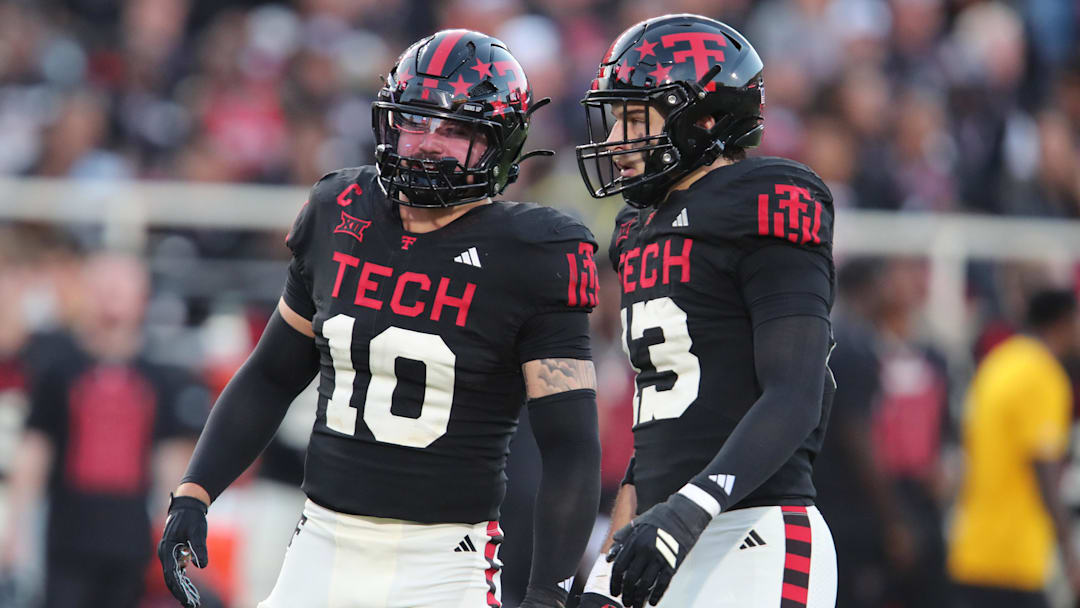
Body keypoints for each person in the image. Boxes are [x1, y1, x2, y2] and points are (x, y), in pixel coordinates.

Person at [158, 29, 602, 608]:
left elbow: (570, 446)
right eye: (414, 122)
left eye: (455, 130)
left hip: (444, 562)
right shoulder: (338, 209)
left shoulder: (537, 251)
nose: (426, 144)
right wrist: (194, 492)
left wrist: (549, 591)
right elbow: (272, 374)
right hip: (318, 543)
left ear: (500, 145)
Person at [573, 14, 838, 608]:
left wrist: (688, 511)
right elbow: (660, 430)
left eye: (635, 118)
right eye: (615, 118)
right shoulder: (637, 226)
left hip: (755, 534)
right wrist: (608, 570)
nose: (616, 140)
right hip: (658, 536)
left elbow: (796, 393)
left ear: (706, 118)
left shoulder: (768, 196)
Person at [1, 253, 207, 608]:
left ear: (141, 300)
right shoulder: (58, 369)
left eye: (120, 291)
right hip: (68, 533)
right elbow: (36, 447)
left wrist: (176, 532)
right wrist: (16, 530)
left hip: (130, 535)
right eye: (102, 290)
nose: (111, 301)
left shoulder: (161, 376)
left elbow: (170, 461)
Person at [948, 289, 1080, 608]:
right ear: (1064, 322)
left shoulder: (1001, 361)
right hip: (1014, 558)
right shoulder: (1042, 376)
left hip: (974, 547)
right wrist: (1070, 556)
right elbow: (1045, 475)